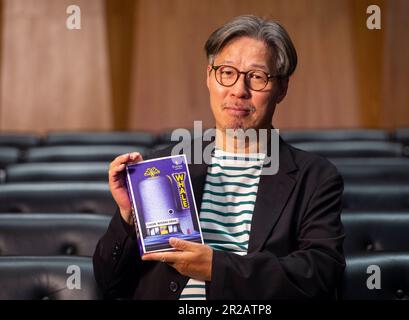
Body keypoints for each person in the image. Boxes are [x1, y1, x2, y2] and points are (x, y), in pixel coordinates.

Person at [93, 15, 345, 300]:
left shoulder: (314, 178)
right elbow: (110, 284)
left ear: (281, 89)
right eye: (227, 72)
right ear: (209, 78)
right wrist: (128, 219)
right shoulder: (161, 169)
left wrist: (217, 267)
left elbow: (321, 274)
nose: (239, 90)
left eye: (257, 77)